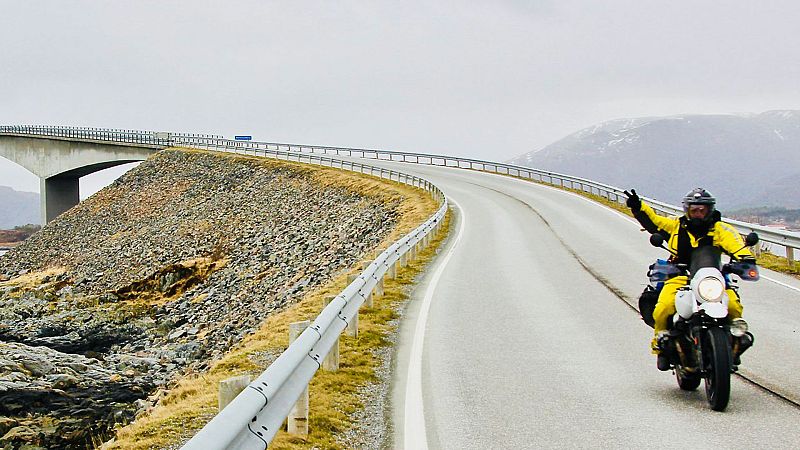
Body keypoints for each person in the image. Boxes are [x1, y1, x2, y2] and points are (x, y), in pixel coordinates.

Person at [624, 187, 754, 371]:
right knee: (664, 306)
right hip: (680, 276)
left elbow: (737, 245)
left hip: (711, 278)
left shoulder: (720, 229)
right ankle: (659, 343)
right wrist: (638, 207)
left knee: (733, 305)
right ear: (687, 210)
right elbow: (655, 222)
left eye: (703, 209)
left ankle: (734, 343)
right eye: (694, 210)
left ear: (710, 210)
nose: (699, 213)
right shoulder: (676, 226)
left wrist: (745, 260)